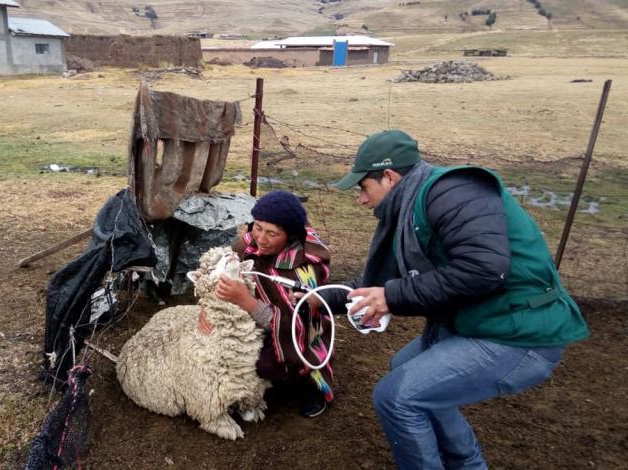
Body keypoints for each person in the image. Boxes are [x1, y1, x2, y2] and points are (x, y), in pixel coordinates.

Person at [317, 129, 589, 468]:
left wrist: (393, 296)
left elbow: (484, 269)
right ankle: (465, 462)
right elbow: (378, 285)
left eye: (363, 187)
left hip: (521, 331)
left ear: (389, 177)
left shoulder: (452, 192)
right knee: (403, 369)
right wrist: (315, 298)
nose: (361, 199)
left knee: (397, 397)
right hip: (483, 319)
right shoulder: (413, 208)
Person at [213, 190, 334, 418]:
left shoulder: (304, 269)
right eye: (258, 227)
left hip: (296, 333)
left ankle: (306, 385)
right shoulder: (249, 243)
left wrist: (247, 302)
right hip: (255, 323)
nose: (261, 239)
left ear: (290, 235)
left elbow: (298, 325)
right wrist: (209, 306)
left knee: (267, 365)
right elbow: (217, 268)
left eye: (272, 233)